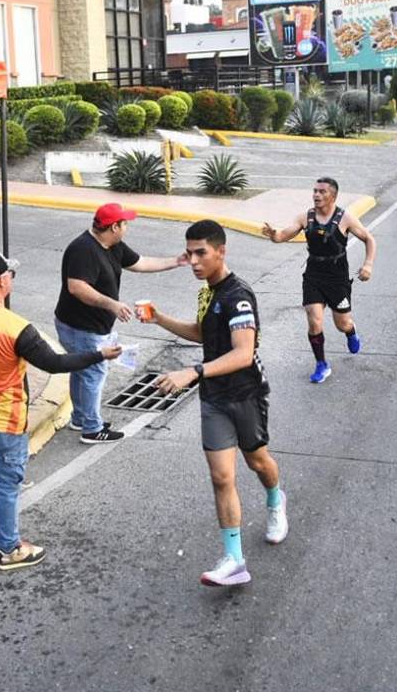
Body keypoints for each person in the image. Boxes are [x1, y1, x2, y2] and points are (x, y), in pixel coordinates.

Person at [0, 250, 122, 571]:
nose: (11, 279)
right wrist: (98, 355)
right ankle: (10, 548)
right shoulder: (15, 327)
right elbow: (55, 363)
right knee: (7, 485)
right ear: (1, 281)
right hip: (5, 421)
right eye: (10, 275)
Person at [143, 220, 286, 587]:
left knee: (257, 461)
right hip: (214, 397)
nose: (192, 260)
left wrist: (191, 372)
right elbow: (202, 333)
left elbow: (242, 353)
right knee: (222, 477)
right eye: (189, 253)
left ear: (221, 251)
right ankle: (234, 560)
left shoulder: (238, 295)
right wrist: (159, 318)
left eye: (200, 253)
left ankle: (275, 499)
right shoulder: (207, 293)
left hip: (245, 395)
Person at [53, 203, 187, 445]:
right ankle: (92, 429)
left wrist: (176, 261)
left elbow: (141, 263)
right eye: (125, 224)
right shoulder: (83, 250)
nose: (127, 227)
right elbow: (77, 287)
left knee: (81, 370)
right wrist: (112, 305)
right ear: (114, 227)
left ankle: (81, 418)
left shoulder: (113, 246)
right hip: (80, 327)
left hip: (90, 326)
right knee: (94, 372)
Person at [261, 178, 377, 384]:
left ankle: (351, 332)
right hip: (313, 276)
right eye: (315, 191)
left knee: (342, 323)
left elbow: (369, 239)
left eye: (322, 192)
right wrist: (273, 235)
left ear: (333, 196)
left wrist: (368, 264)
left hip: (337, 279)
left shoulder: (345, 218)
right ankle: (321, 364)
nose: (316, 195)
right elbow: (282, 236)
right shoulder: (306, 217)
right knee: (314, 320)